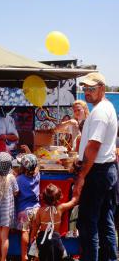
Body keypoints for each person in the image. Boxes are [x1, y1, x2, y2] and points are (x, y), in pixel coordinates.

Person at [73, 72, 118, 261]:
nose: (87, 92)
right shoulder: (103, 108)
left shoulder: (100, 112)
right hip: (104, 170)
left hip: (97, 172)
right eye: (85, 89)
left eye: (91, 88)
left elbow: (93, 146)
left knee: (87, 222)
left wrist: (82, 175)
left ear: (102, 89)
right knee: (104, 221)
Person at [30, 183, 77, 261]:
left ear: (43, 197)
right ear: (58, 197)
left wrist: (32, 237)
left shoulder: (40, 211)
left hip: (42, 240)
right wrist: (76, 190)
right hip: (56, 240)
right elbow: (73, 202)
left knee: (40, 257)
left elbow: (35, 226)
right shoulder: (60, 208)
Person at [15, 154, 40, 261]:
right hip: (37, 210)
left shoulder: (18, 179)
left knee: (25, 232)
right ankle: (35, 255)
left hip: (23, 211)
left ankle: (24, 256)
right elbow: (37, 166)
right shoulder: (37, 176)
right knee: (36, 233)